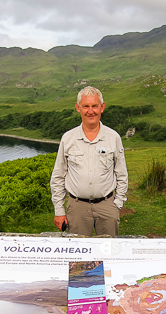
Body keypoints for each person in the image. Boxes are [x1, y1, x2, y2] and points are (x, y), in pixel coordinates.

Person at [50, 87, 128, 236]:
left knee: (108, 252)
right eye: (86, 106)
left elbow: (121, 173)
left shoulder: (114, 137)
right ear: (78, 108)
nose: (90, 111)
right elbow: (58, 176)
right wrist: (59, 211)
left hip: (107, 206)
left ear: (102, 107)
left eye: (94, 106)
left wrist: (117, 204)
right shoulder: (68, 138)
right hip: (77, 208)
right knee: (79, 256)